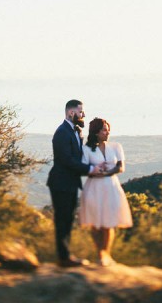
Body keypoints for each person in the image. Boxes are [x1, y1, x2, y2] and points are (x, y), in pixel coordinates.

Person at [47, 99, 107, 267]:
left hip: (71, 183)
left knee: (67, 219)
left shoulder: (77, 132)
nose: (84, 115)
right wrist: (89, 170)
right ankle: (63, 258)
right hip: (60, 183)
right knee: (63, 219)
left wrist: (95, 164)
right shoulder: (61, 133)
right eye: (81, 112)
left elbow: (78, 158)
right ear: (71, 113)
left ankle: (65, 256)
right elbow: (66, 161)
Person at [80, 117, 133, 266]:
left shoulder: (116, 146)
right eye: (104, 129)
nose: (107, 132)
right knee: (96, 223)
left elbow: (121, 167)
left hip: (111, 186)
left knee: (109, 222)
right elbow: (84, 169)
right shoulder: (86, 149)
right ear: (96, 132)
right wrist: (95, 170)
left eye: (108, 129)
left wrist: (106, 173)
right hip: (94, 187)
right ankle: (99, 254)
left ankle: (106, 254)